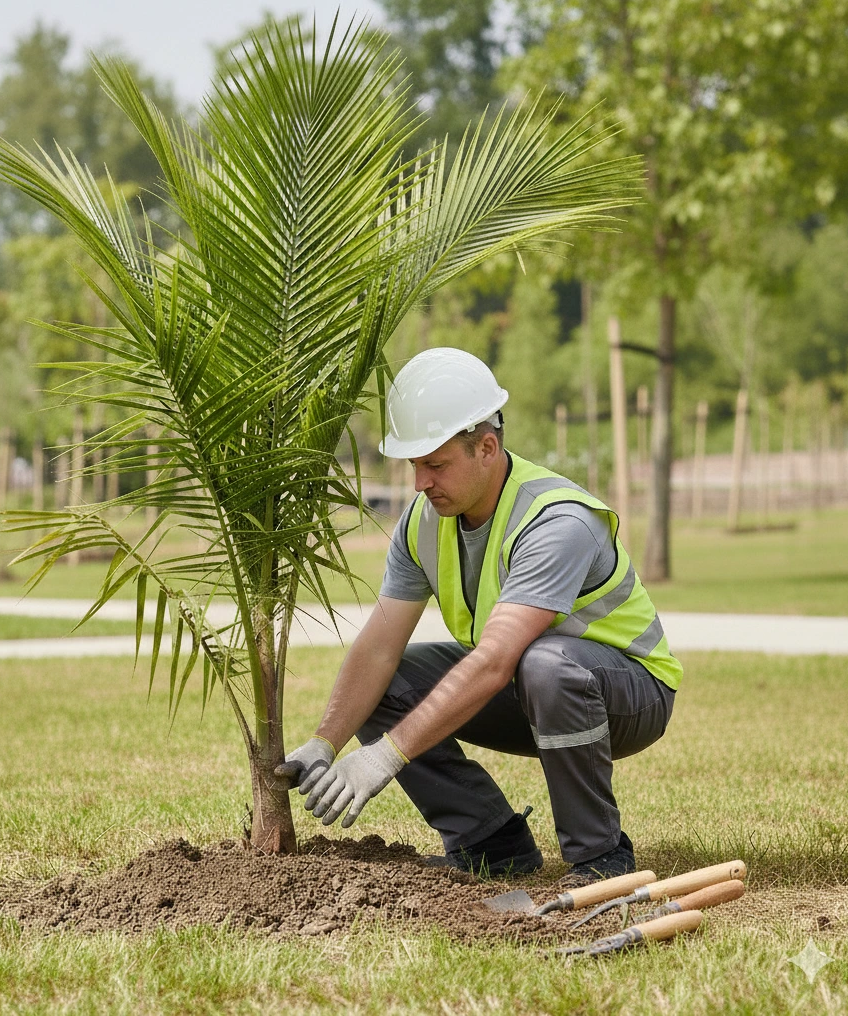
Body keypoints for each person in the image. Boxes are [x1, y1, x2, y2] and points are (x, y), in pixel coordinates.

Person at [276, 347, 682, 881]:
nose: (419, 483)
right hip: (527, 684)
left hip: (627, 693)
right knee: (391, 681)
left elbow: (493, 662)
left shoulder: (555, 520)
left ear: (487, 447)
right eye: (414, 465)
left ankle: (599, 857)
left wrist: (383, 756)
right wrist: (324, 742)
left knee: (548, 665)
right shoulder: (423, 522)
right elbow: (378, 647)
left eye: (436, 464)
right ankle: (492, 843)